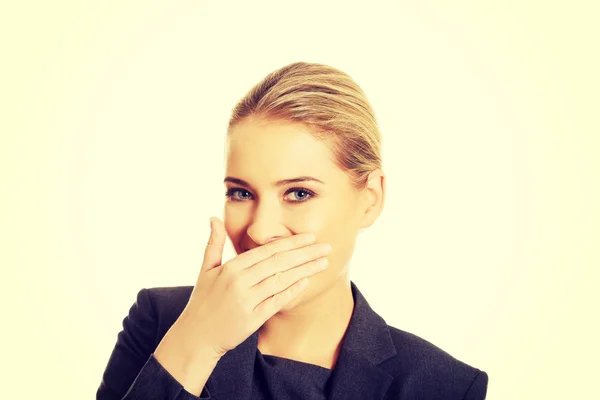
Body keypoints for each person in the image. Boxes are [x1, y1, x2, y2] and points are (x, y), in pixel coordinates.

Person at [96, 61, 488, 400]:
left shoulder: (442, 385)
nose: (261, 230)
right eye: (241, 192)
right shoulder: (161, 321)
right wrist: (196, 343)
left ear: (370, 199)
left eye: (299, 193)